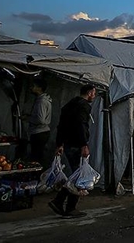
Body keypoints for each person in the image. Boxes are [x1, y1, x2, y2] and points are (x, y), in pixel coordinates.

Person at [49, 84, 96, 218]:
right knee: (78, 177)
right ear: (90, 92)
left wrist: (60, 144)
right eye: (94, 93)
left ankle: (60, 202)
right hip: (76, 144)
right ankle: (68, 206)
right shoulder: (84, 106)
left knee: (76, 174)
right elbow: (81, 125)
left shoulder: (69, 105)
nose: (94, 95)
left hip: (68, 144)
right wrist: (84, 144)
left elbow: (61, 126)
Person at [25, 78, 52, 165]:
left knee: (36, 158)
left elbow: (40, 120)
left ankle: (37, 176)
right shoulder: (42, 100)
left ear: (39, 88)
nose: (31, 88)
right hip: (41, 132)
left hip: (39, 133)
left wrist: (28, 118)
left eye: (33, 86)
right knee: (38, 157)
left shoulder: (41, 101)